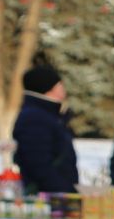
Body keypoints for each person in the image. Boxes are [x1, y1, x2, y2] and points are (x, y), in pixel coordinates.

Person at [13, 65, 79, 196]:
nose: (63, 88)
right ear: (48, 87)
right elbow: (38, 163)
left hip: (55, 194)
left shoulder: (47, 115)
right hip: (48, 198)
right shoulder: (35, 118)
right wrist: (63, 191)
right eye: (59, 84)